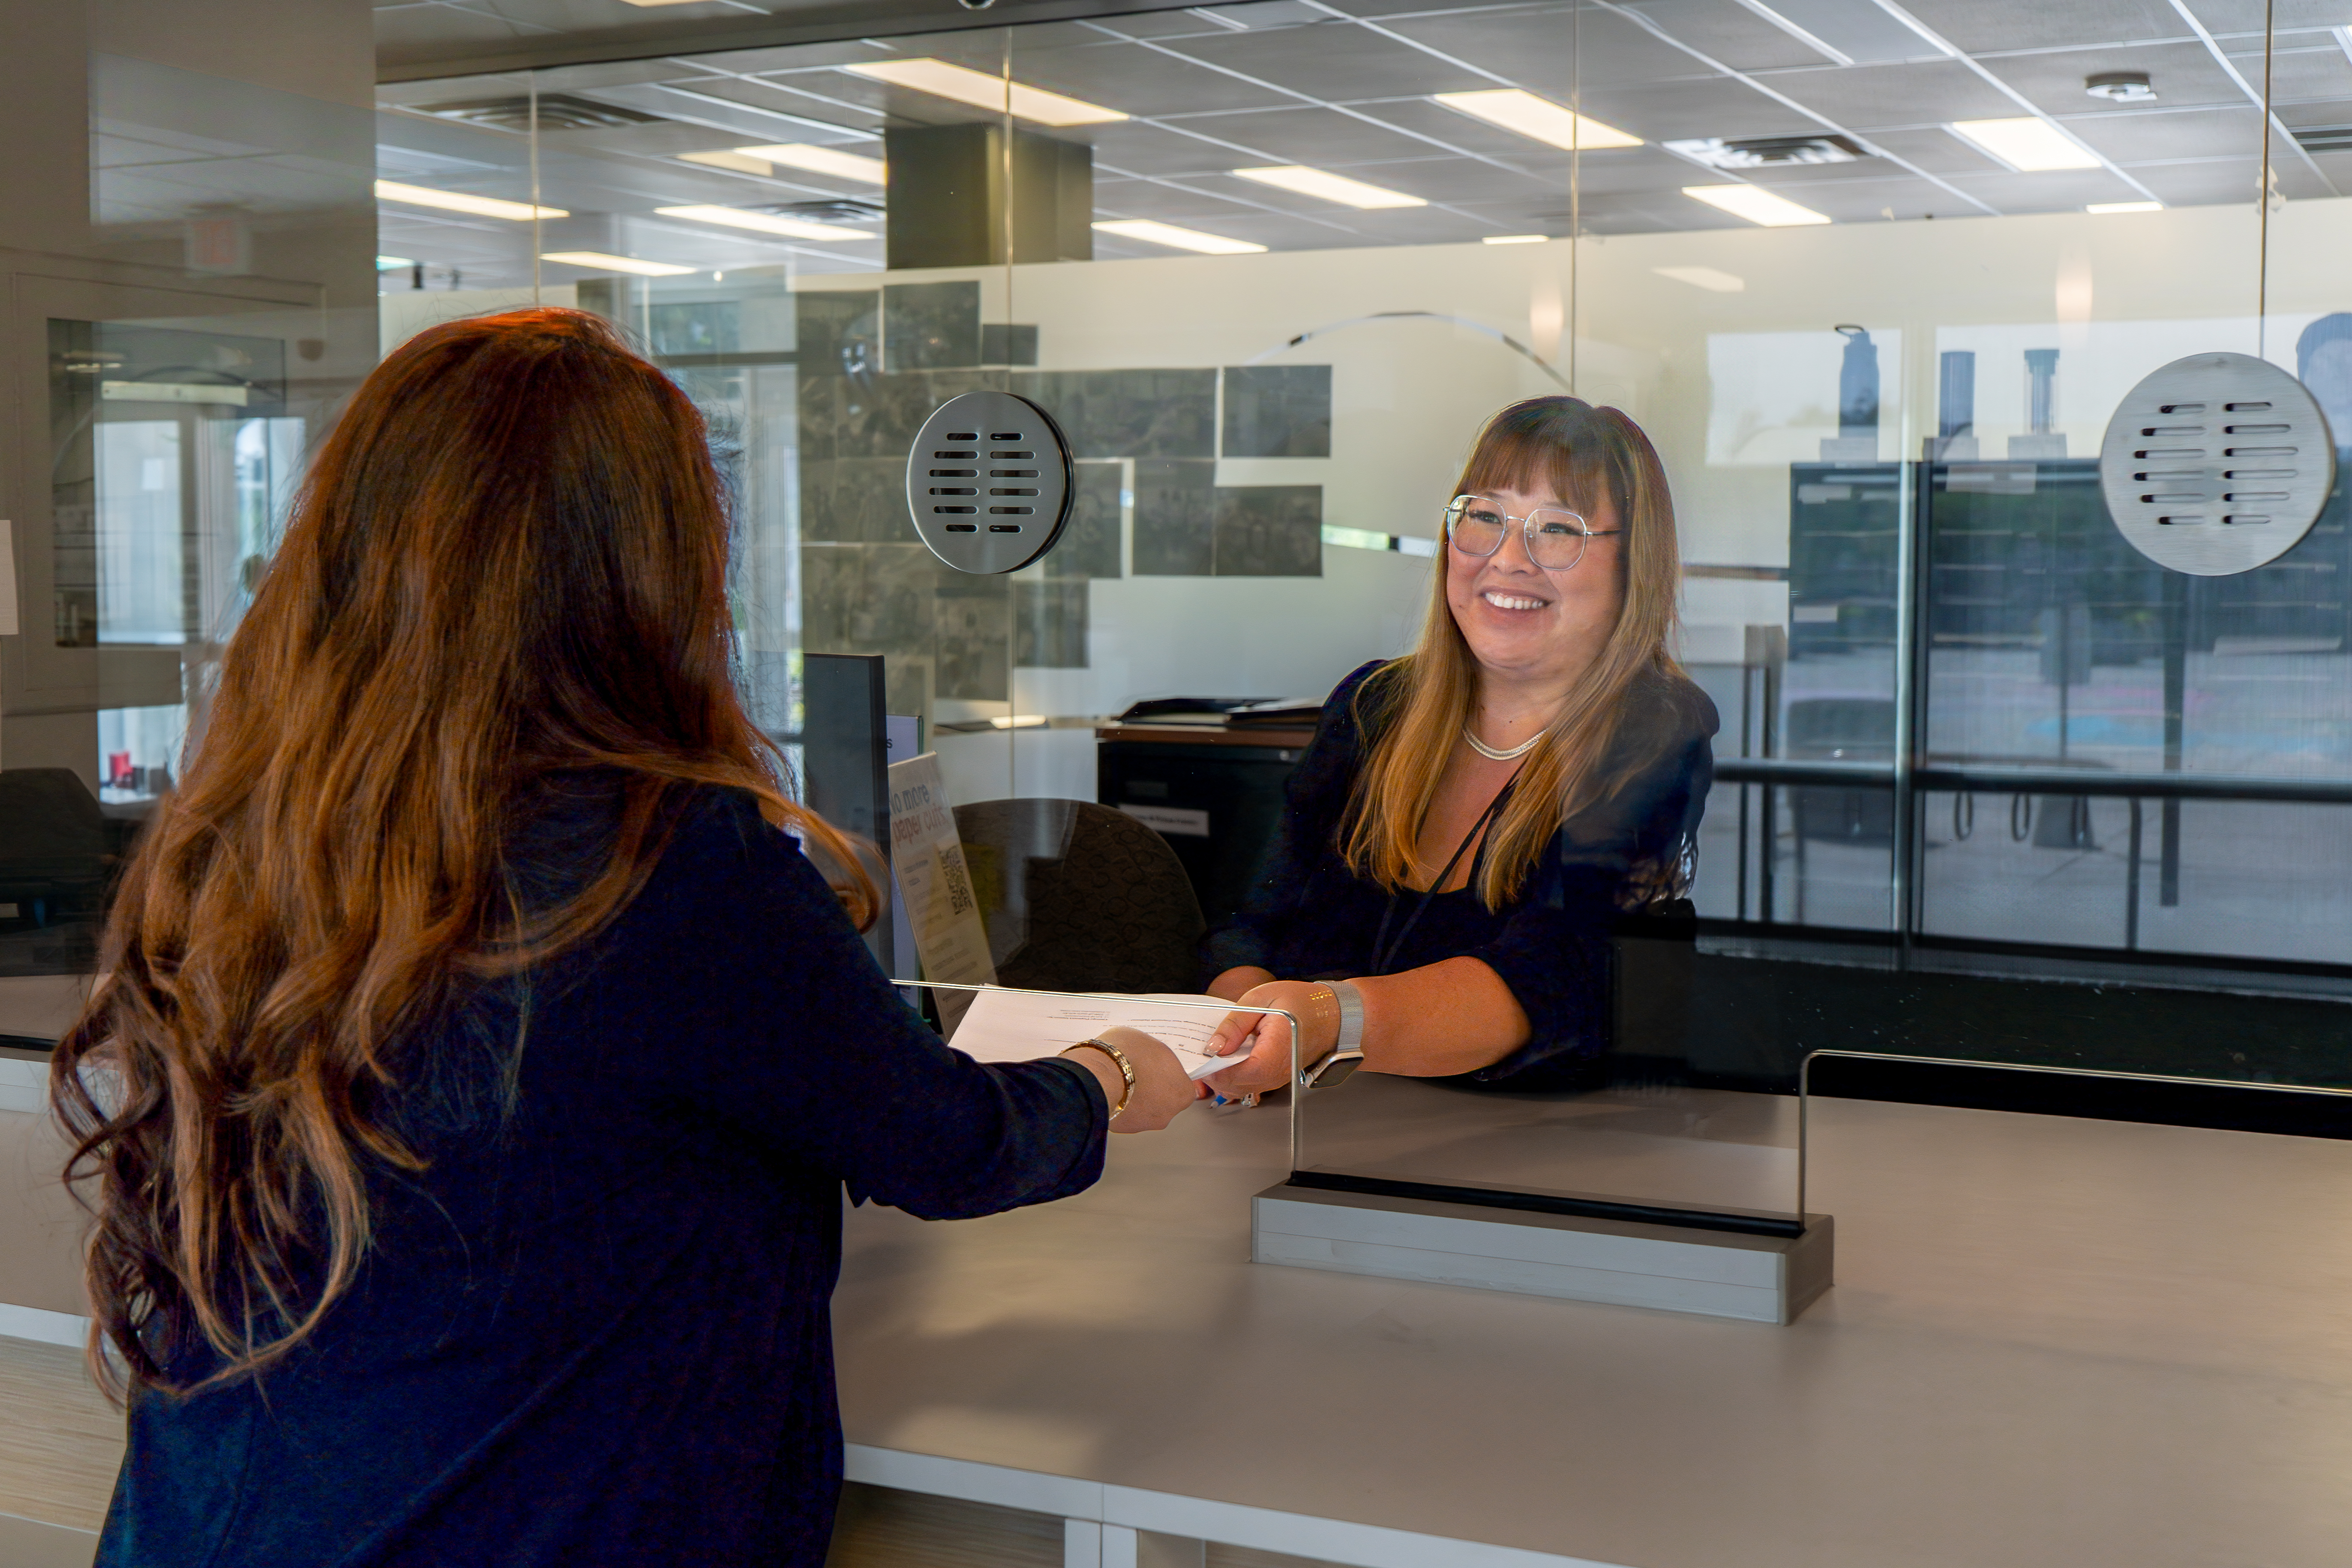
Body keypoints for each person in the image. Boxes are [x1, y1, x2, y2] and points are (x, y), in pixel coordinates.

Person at [48, 308, 1196, 1568]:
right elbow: (948, 1140)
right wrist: (1116, 1074)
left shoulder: (254, 839)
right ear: (644, 571)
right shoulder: (657, 868)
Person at [1200, 396, 1716, 1094]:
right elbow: (1249, 926)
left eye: (1558, 529)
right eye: (1484, 517)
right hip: (1297, 1128)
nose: (1507, 559)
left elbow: (1555, 977)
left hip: (1527, 1155)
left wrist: (1326, 1022)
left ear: (1633, 566)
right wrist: (1248, 1025)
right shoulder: (1373, 707)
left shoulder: (1654, 732)